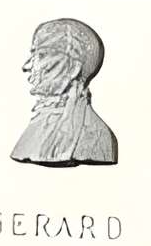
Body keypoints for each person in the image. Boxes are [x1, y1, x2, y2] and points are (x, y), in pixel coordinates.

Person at [11, 17, 119, 166]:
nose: (27, 65)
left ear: (73, 68)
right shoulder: (38, 125)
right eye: (33, 55)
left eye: (42, 55)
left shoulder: (96, 135)